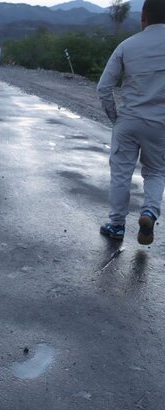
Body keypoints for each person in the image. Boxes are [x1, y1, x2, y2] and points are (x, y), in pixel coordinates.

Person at [97, 0, 165, 245]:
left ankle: (116, 225)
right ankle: (149, 212)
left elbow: (104, 87)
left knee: (121, 174)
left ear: (143, 16)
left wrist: (115, 117)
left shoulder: (127, 45)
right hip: (160, 124)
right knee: (157, 171)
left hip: (128, 120)